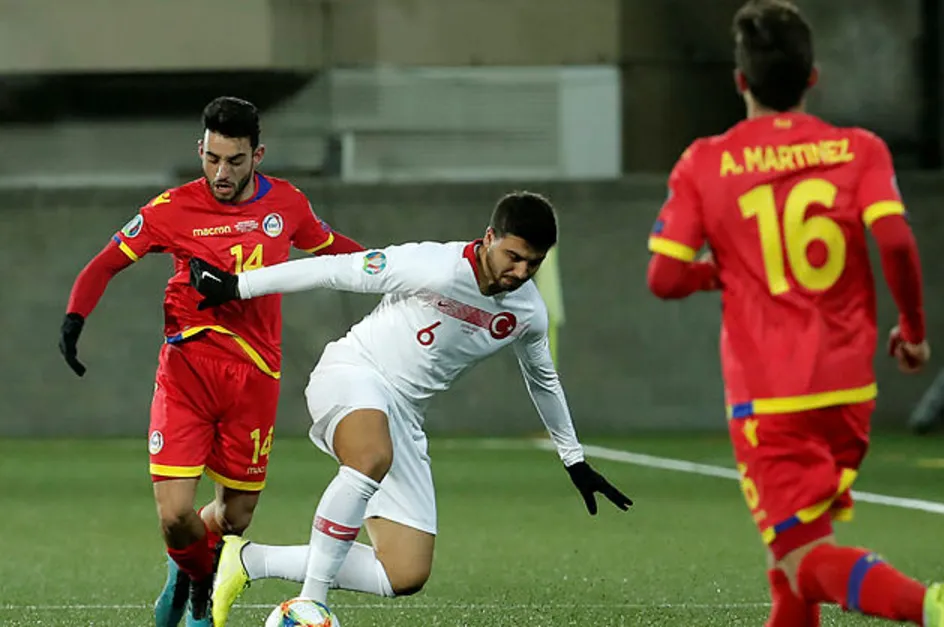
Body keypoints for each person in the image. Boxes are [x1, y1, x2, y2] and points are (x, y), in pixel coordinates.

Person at [644, 1, 944, 625]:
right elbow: (895, 240)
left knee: (801, 560)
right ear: (812, 78)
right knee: (789, 564)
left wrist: (721, 270)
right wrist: (914, 330)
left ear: (740, 81)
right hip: (849, 392)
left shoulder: (706, 161)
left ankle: (927, 606)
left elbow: (663, 277)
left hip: (771, 399)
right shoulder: (859, 149)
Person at [187, 191, 632, 627]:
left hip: (404, 413)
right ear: (489, 237)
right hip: (353, 372)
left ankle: (247, 560)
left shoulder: (527, 312)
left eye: (533, 263)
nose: (520, 272)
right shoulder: (432, 265)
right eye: (513, 257)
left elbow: (543, 380)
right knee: (370, 457)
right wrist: (237, 286)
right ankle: (311, 604)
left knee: (403, 572)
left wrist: (574, 459)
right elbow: (333, 269)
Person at [58, 96, 365, 627]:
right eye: (212, 158)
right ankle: (201, 580)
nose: (221, 173)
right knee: (176, 516)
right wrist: (74, 319)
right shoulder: (172, 208)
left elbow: (336, 250)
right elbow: (105, 263)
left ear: (257, 156)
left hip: (255, 377)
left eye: (235, 161)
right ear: (200, 148)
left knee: (235, 516)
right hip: (189, 371)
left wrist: (399, 273)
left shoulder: (287, 204)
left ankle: (186, 568)